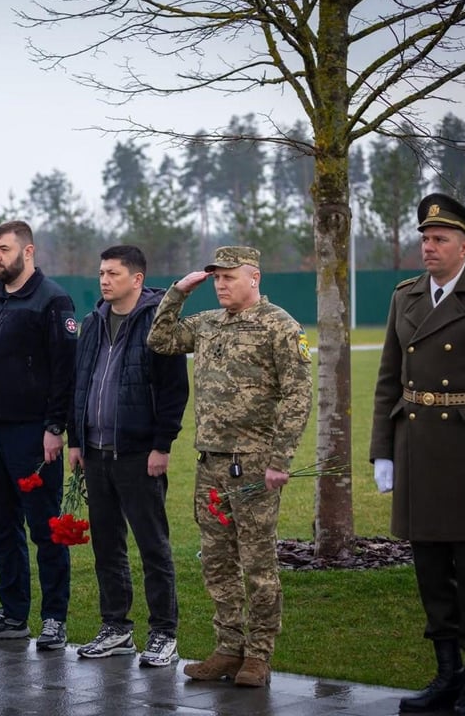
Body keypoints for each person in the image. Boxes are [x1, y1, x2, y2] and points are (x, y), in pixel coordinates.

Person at [370, 194, 465, 716]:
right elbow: (388, 380)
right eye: (425, 239)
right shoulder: (405, 296)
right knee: (430, 569)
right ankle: (446, 675)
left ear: (464, 247)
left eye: (440, 239)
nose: (428, 247)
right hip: (418, 450)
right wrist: (383, 451)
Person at [147, 245, 312, 687]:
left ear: (254, 277)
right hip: (210, 464)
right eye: (216, 278)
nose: (220, 285)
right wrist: (178, 293)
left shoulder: (279, 326)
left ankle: (258, 655)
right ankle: (227, 648)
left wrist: (281, 459)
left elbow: (298, 396)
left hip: (254, 465)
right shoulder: (207, 324)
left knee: (258, 564)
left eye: (229, 277)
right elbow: (160, 339)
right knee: (217, 563)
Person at [0, 220, 77, 650]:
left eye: (4, 249)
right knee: (2, 529)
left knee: (46, 530)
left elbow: (65, 372)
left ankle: (54, 619)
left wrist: (54, 427)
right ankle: (12, 615)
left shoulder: (52, 300)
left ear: (28, 252)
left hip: (33, 437)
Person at [68, 245, 189, 667]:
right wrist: (76, 440)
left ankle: (164, 634)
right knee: (107, 547)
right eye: (102, 273)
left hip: (139, 455)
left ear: (137, 279)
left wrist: (162, 445)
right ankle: (116, 628)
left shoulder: (158, 323)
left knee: (153, 547)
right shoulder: (92, 323)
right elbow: (80, 384)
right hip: (96, 453)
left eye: (113, 273)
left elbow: (174, 391)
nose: (104, 280)